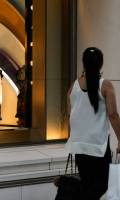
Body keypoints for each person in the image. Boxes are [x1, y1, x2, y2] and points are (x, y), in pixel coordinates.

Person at [65, 47, 120, 200]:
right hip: (98, 148)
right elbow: (113, 115)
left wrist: (71, 139)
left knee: (86, 185)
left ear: (83, 63)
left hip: (79, 147)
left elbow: (70, 116)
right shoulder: (105, 85)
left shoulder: (73, 87)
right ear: (101, 64)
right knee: (101, 188)